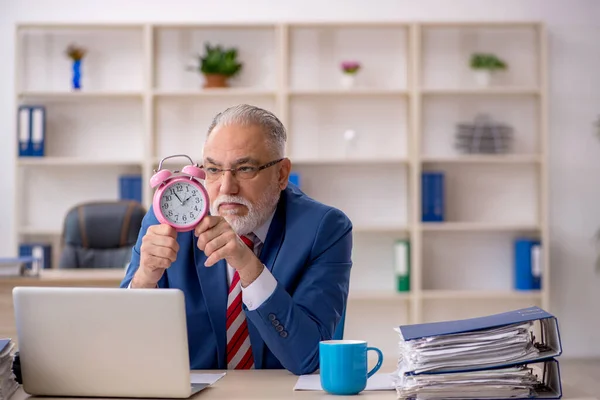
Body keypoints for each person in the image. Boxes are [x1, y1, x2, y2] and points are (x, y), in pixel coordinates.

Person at [120, 104, 353, 375]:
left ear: (281, 174)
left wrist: (249, 267)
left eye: (244, 169)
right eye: (214, 170)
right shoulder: (169, 216)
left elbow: (309, 358)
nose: (226, 188)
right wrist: (144, 280)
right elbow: (123, 348)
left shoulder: (324, 229)